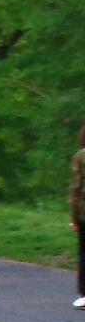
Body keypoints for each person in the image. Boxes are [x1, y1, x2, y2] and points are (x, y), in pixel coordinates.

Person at [69, 122, 85, 312]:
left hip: (83, 211)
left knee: (84, 252)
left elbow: (75, 188)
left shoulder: (80, 157)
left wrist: (73, 216)